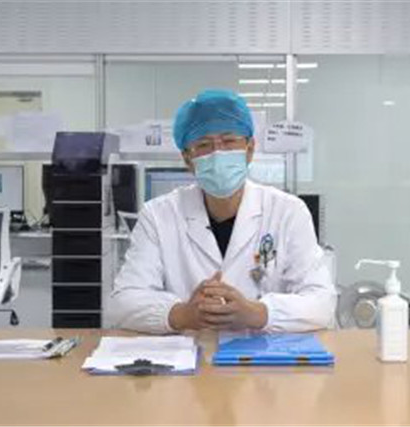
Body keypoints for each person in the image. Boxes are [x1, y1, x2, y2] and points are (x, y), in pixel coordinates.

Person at [109, 89, 336, 333]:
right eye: (204, 145)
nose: (218, 153)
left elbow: (322, 303)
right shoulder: (158, 215)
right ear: (187, 159)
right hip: (189, 352)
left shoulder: (288, 212)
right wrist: (182, 314)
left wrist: (257, 313)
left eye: (229, 141)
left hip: (262, 354)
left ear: (249, 149)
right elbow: (123, 302)